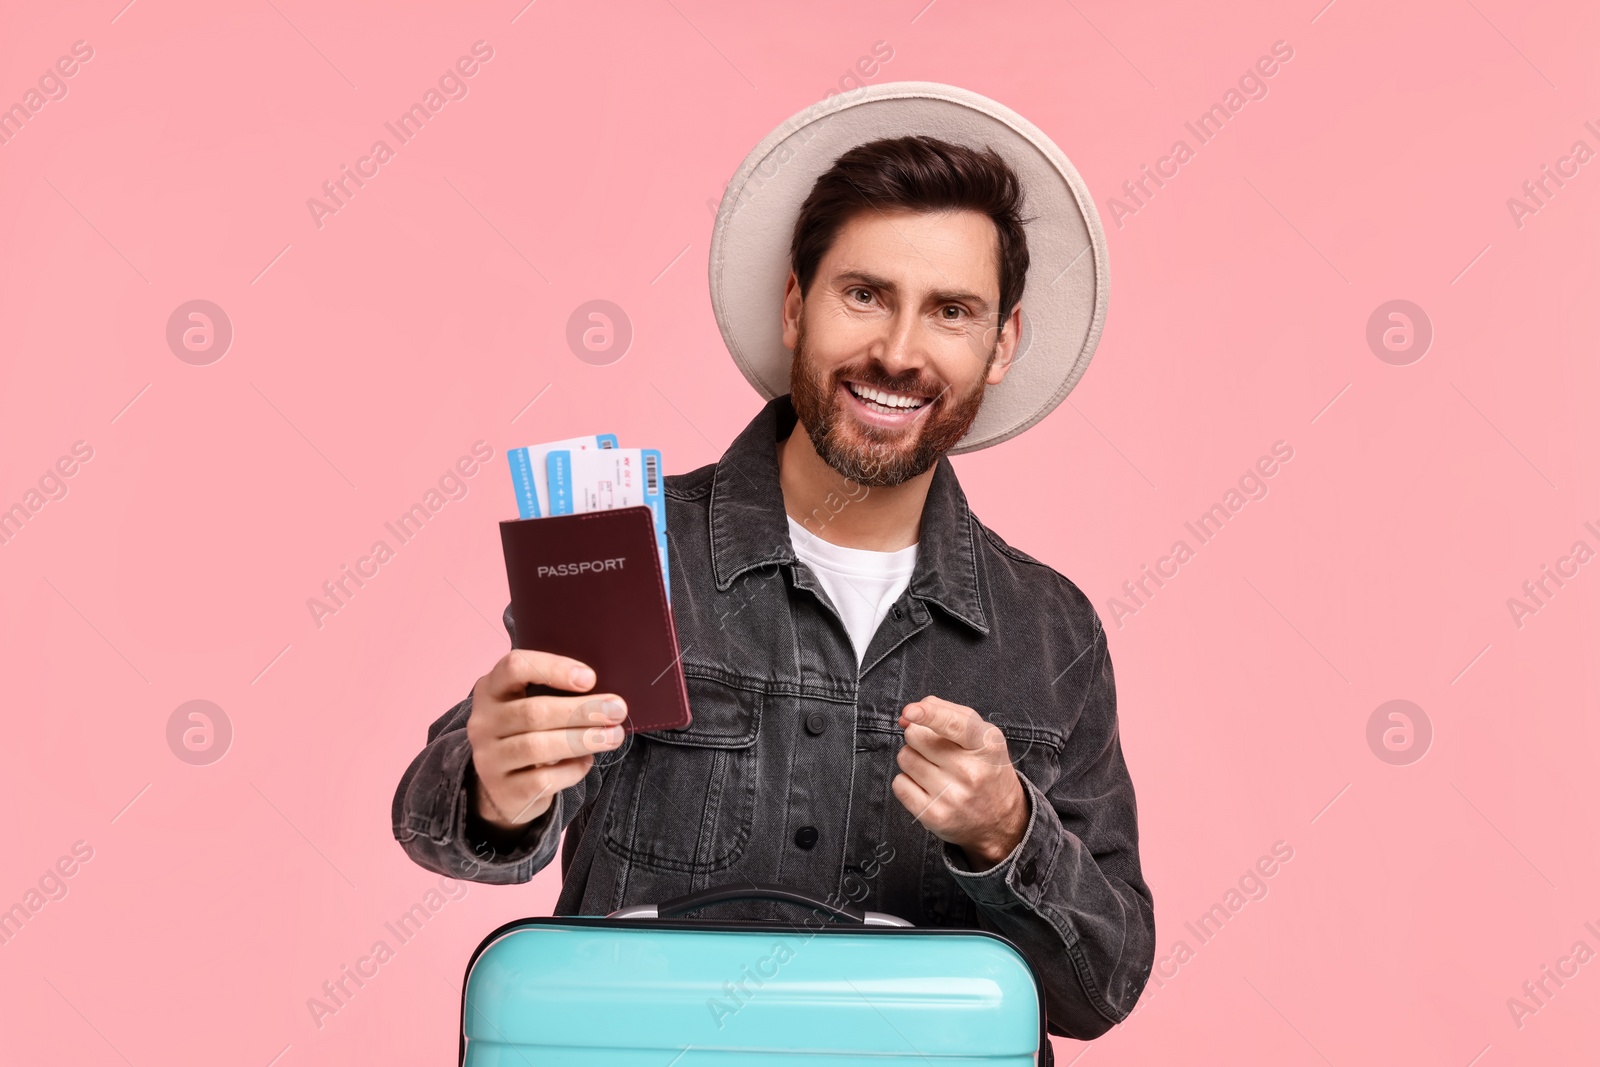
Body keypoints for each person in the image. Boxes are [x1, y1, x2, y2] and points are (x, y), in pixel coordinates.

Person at [393, 83, 1155, 1046]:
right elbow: (441, 822)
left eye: (952, 310)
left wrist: (1010, 830)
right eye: (866, 293)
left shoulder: (1053, 633)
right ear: (797, 305)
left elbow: (1105, 988)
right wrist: (498, 789)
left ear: (1000, 344)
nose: (898, 351)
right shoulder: (630, 544)